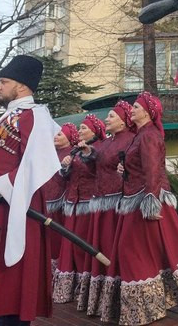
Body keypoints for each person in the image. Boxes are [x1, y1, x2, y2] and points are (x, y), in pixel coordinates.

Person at [0, 54, 61, 326]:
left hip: (21, 207)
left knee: (15, 282)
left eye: (4, 81)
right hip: (0, 207)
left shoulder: (35, 117)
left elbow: (36, 166)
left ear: (21, 86)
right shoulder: (9, 117)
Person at [110, 92, 178, 325]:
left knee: (132, 253)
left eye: (136, 107)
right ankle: (146, 308)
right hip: (136, 199)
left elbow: (152, 170)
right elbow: (142, 166)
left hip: (145, 202)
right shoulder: (141, 135)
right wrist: (126, 170)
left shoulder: (149, 135)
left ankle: (144, 309)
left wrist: (151, 202)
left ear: (148, 112)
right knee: (141, 254)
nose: (132, 109)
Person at [81, 100, 136, 319]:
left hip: (118, 203)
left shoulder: (131, 140)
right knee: (101, 248)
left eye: (112, 116)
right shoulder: (104, 143)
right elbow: (94, 167)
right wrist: (88, 153)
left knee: (115, 249)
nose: (107, 119)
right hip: (101, 201)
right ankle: (102, 301)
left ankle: (118, 300)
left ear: (123, 121)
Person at [52, 114, 105, 307]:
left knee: (83, 246)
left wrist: (87, 154)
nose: (80, 131)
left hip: (87, 203)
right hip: (72, 202)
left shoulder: (98, 148)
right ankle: (71, 289)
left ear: (94, 131)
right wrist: (66, 166)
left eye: (83, 128)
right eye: (80, 128)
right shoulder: (75, 150)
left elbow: (97, 172)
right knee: (71, 247)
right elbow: (67, 177)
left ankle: (86, 291)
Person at [43, 122, 78, 266]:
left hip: (62, 202)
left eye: (59, 134)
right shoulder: (49, 154)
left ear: (69, 136)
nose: (55, 137)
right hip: (46, 200)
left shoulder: (73, 153)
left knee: (58, 236)